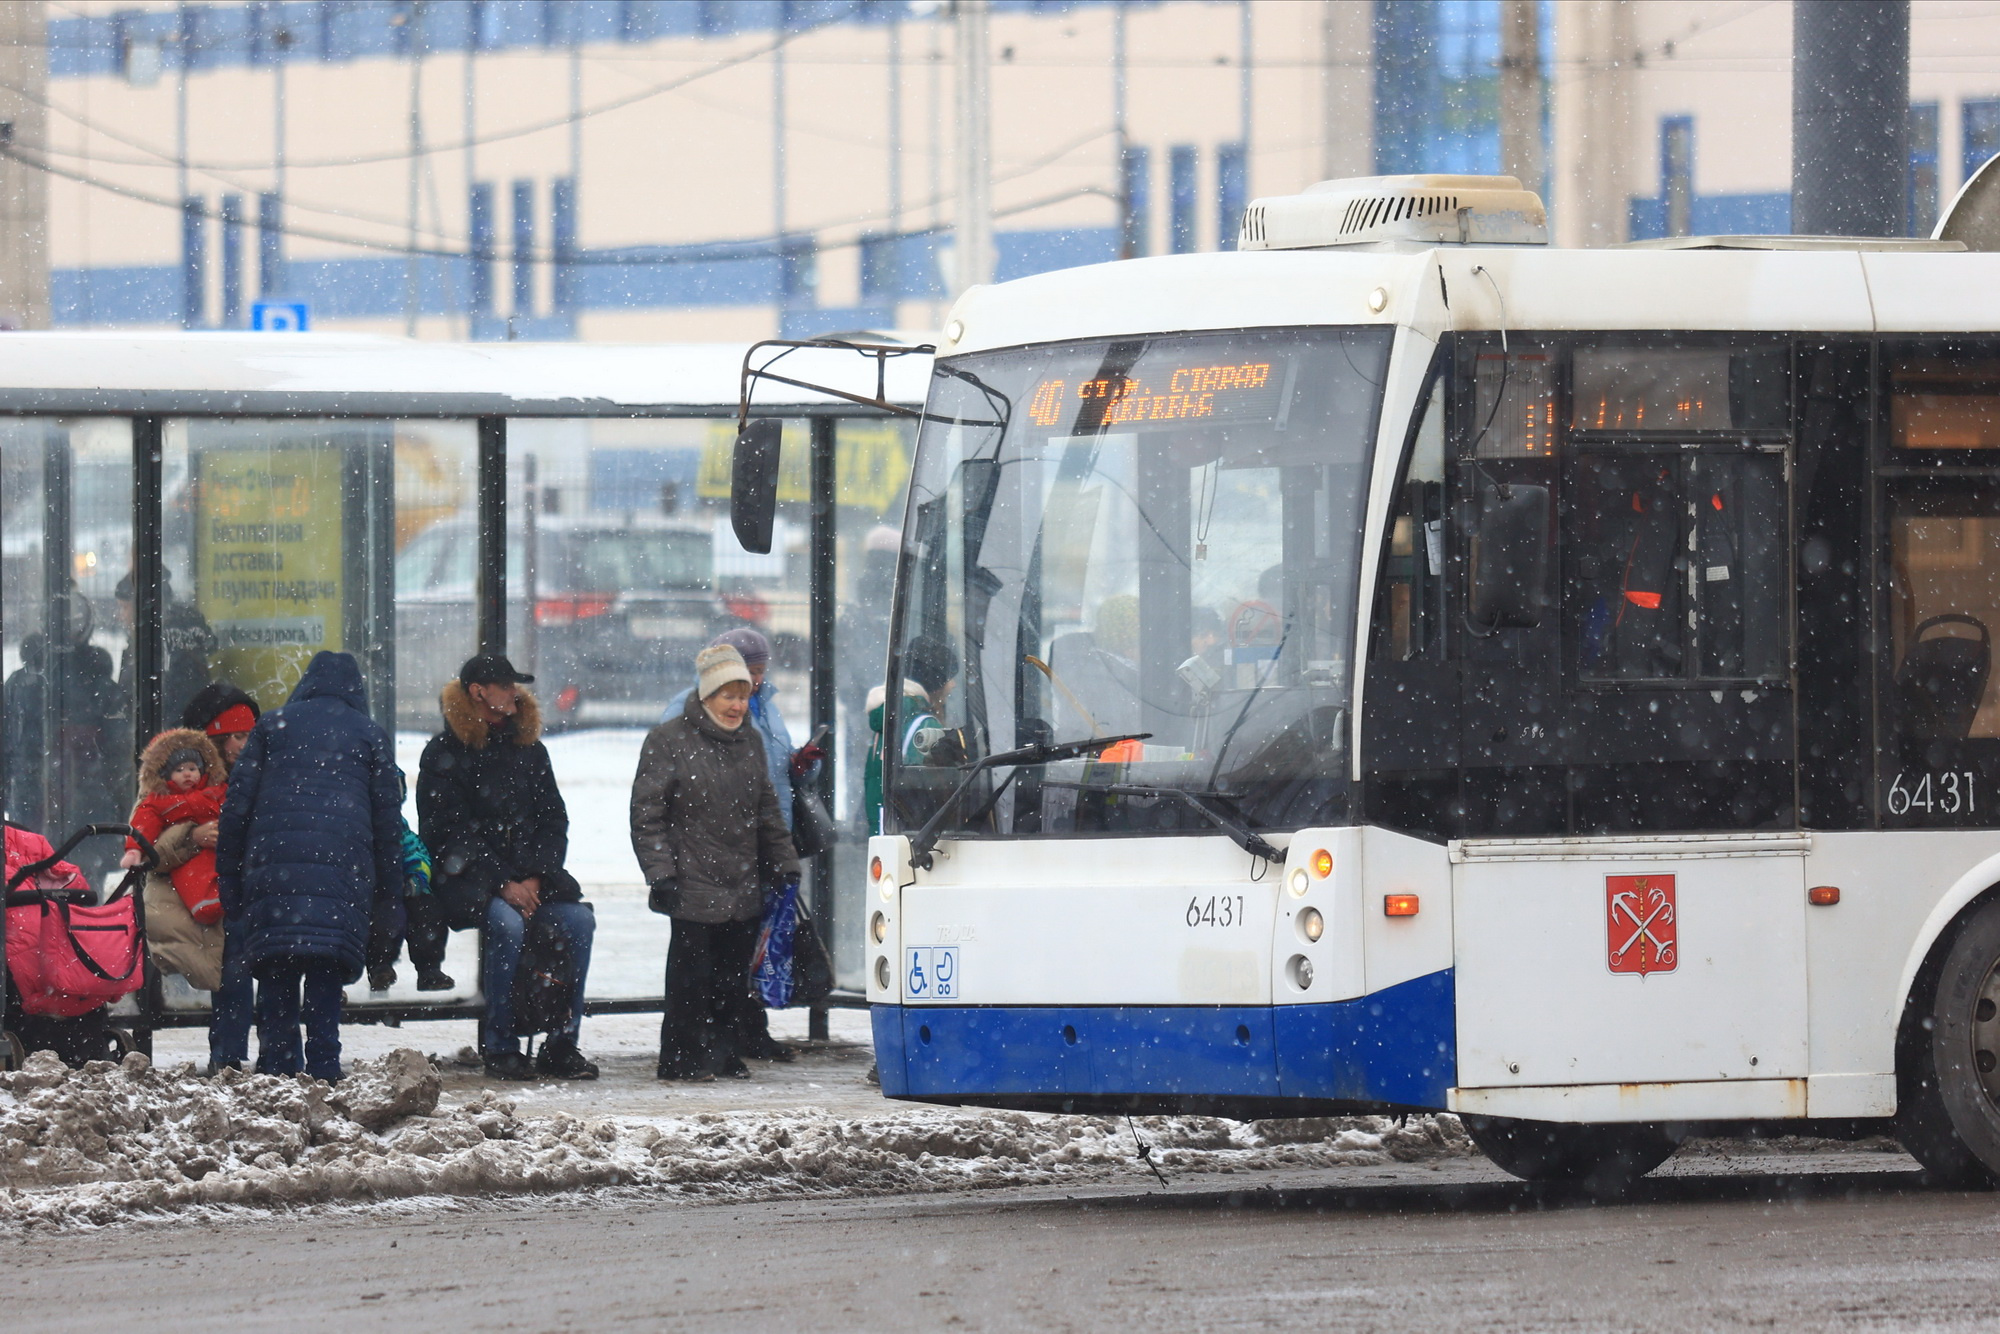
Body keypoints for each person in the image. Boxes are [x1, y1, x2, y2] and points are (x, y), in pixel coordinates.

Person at [216, 652, 404, 1082]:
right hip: (341, 876)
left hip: (273, 874)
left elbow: (236, 811)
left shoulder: (273, 725)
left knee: (277, 971)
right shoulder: (369, 734)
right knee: (323, 973)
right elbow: (387, 825)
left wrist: (229, 878)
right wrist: (390, 895)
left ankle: (279, 1073)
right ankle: (323, 1071)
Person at [418, 654, 598, 1081]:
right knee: (508, 924)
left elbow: (554, 821)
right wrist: (501, 882)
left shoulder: (529, 751)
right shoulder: (443, 753)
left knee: (578, 922)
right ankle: (501, 1045)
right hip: (467, 883)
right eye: (504, 685)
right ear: (478, 692)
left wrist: (534, 875)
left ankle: (562, 1042)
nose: (514, 692)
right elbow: (448, 834)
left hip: (530, 881)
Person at [632, 643, 799, 1081]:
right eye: (728, 695)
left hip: (741, 880)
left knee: (730, 979)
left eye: (743, 696)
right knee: (690, 979)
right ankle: (681, 1057)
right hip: (692, 881)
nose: (737, 705)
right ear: (706, 696)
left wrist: (784, 862)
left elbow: (767, 810)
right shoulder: (668, 741)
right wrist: (661, 873)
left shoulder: (752, 742)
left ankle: (723, 1051)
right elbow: (647, 816)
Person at [144, 682, 259, 1071]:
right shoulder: (175, 782)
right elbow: (149, 853)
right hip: (202, 899)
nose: (244, 745)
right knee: (230, 974)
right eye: (236, 736)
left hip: (243, 890)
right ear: (217, 739)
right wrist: (191, 838)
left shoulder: (259, 775)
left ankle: (234, 1059)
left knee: (241, 974)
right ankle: (226, 1059)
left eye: (250, 735)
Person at [660, 627, 823, 833]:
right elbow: (672, 774)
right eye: (751, 671)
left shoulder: (768, 708)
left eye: (761, 671)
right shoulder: (687, 706)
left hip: (773, 835)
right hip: (720, 837)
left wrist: (802, 766)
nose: (758, 680)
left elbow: (778, 770)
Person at [122, 729, 228, 925]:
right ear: (166, 775)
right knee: (194, 877)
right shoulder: (160, 800)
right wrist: (134, 849)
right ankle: (206, 903)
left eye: (192, 768)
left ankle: (220, 899)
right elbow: (144, 823)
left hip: (218, 849)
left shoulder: (216, 791)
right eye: (179, 770)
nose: (187, 774)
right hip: (189, 859)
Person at [365, 770, 453, 994]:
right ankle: (379, 967)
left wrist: (416, 879)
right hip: (376, 893)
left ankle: (429, 969)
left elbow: (417, 855)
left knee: (428, 912)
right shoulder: (358, 830)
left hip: (404, 888)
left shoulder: (400, 829)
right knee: (383, 922)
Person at [863, 635, 959, 836]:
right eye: (948, 677)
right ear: (934, 681)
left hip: (885, 829)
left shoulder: (890, 717)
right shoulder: (923, 724)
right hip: (914, 835)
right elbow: (929, 791)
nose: (953, 685)